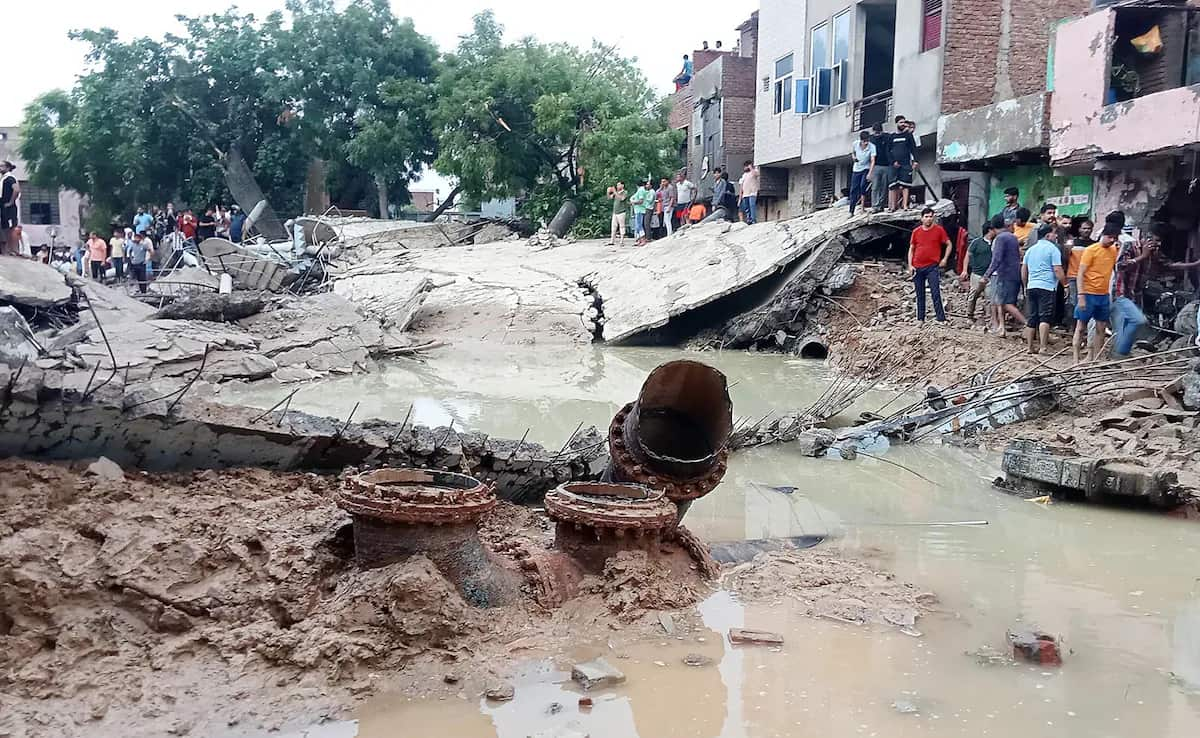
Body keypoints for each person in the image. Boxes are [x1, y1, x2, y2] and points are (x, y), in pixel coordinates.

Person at [1073, 223, 1121, 363]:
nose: (1112, 240)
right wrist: (1081, 296)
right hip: (1088, 293)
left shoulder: (1113, 250)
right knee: (1080, 327)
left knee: (1101, 328)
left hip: (1103, 294)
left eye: (1114, 237)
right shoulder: (1091, 250)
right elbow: (1080, 274)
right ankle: (1076, 360)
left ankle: (1095, 359)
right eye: (1110, 237)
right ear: (1103, 235)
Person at [1022, 223, 1066, 354]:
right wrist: (1066, 284)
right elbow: (1057, 269)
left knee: (1032, 317)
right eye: (1054, 233)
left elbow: (1024, 269)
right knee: (1045, 317)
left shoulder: (1031, 249)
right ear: (1048, 235)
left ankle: (1030, 347)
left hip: (1032, 286)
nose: (1056, 235)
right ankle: (1043, 347)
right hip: (1046, 287)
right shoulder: (1053, 249)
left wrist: (1025, 285)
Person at [981, 215, 1027, 338]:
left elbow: (997, 259)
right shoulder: (1012, 237)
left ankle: (1027, 324)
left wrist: (986, 275)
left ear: (993, 227)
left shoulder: (1000, 239)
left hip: (1004, 274)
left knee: (1006, 303)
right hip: (1014, 273)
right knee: (1002, 302)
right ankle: (1001, 327)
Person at [908, 207, 951, 323]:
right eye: (926, 217)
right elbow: (911, 249)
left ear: (934, 218)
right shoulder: (916, 232)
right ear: (921, 218)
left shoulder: (939, 230)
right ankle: (920, 319)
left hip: (932, 266)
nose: (928, 219)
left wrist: (945, 259)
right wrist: (910, 265)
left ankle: (941, 319)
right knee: (919, 294)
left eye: (931, 216)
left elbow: (949, 244)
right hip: (917, 266)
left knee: (935, 292)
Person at [962, 219, 997, 324]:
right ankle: (969, 315)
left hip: (990, 275)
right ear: (990, 230)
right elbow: (967, 255)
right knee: (973, 295)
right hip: (977, 274)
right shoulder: (977, 242)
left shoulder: (996, 243)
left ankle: (989, 319)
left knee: (989, 297)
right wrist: (964, 270)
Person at [887, 116, 918, 211]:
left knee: (906, 185)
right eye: (901, 122)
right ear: (896, 124)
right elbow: (887, 151)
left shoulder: (908, 136)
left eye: (904, 122)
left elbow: (913, 148)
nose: (903, 124)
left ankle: (905, 206)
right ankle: (893, 206)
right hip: (894, 165)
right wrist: (893, 162)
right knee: (893, 186)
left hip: (905, 164)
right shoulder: (891, 137)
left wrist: (915, 161)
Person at [848, 131, 876, 216]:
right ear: (861, 140)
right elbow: (852, 152)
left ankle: (862, 207)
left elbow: (872, 160)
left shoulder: (872, 147)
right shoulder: (855, 144)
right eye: (864, 141)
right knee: (854, 189)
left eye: (867, 141)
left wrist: (870, 173)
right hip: (856, 169)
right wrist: (854, 157)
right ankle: (851, 210)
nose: (866, 143)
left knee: (863, 186)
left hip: (866, 168)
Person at [868, 123, 891, 213]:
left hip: (886, 165)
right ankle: (875, 206)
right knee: (875, 187)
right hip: (875, 165)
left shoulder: (887, 137)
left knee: (884, 187)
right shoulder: (871, 138)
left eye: (878, 132)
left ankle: (881, 205)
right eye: (875, 132)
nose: (877, 134)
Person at [0, 160, 21, 256]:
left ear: (8, 168)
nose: (0, 168)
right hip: (3, 206)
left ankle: (13, 249)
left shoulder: (10, 178)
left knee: (12, 227)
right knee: (4, 227)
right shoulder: (3, 178)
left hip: (9, 207)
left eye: (2, 166)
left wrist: (11, 202)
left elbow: (16, 189)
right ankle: (6, 250)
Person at [630, 180, 653, 245]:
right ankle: (639, 239)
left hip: (640, 210)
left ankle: (643, 239)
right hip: (638, 209)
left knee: (639, 225)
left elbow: (641, 201)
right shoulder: (642, 190)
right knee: (637, 226)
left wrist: (633, 202)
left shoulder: (640, 190)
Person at [607, 182, 628, 246]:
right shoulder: (615, 193)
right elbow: (609, 198)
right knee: (613, 226)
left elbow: (622, 198)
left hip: (621, 212)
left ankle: (622, 241)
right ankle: (612, 240)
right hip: (615, 212)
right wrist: (608, 192)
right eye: (617, 185)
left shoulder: (625, 192)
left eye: (619, 185)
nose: (617, 186)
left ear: (622, 185)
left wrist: (615, 192)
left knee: (622, 226)